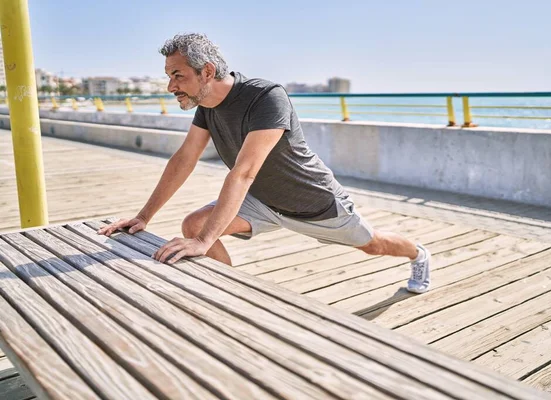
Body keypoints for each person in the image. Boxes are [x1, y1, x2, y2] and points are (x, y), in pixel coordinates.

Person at [98, 33, 431, 294]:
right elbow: (185, 158)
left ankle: (418, 255)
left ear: (208, 72)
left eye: (178, 75)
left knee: (373, 245)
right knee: (195, 225)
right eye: (170, 77)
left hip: (314, 204)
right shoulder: (207, 105)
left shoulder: (266, 97)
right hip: (263, 203)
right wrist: (144, 217)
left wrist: (203, 243)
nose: (171, 86)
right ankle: (232, 298)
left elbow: (244, 172)